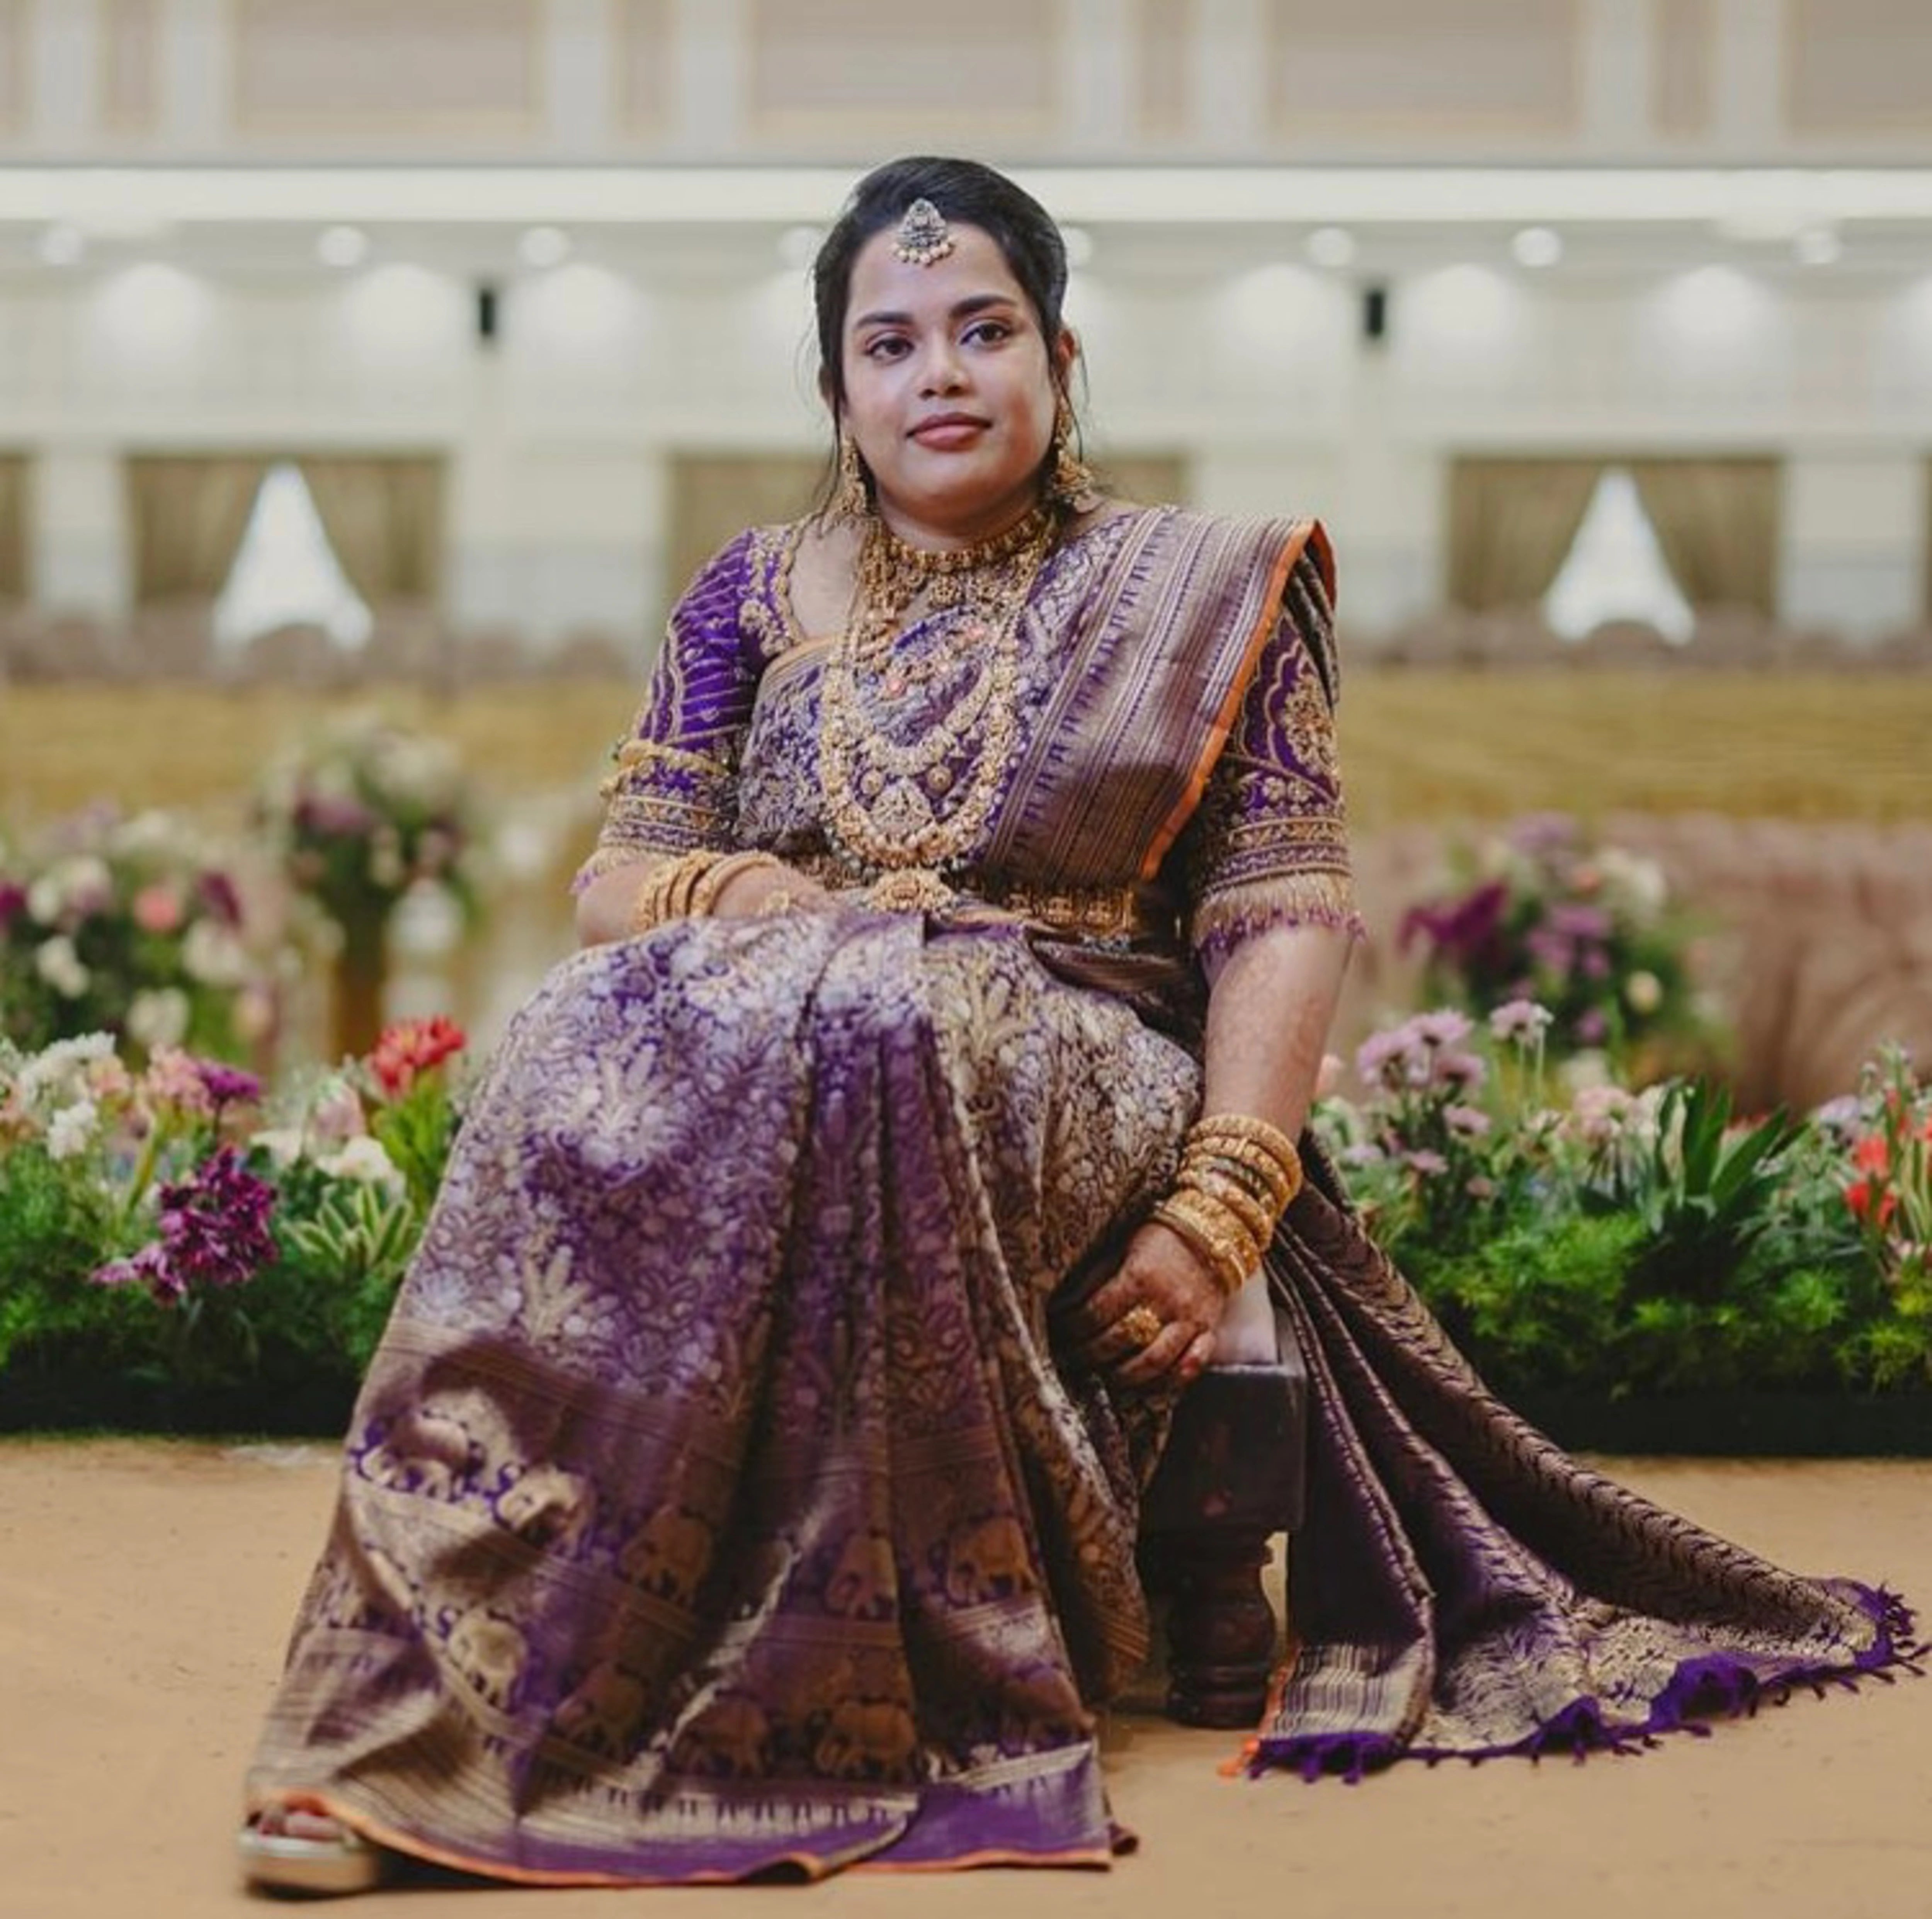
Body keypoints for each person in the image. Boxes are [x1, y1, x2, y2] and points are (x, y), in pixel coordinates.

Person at [239, 157, 1910, 1894]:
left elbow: (1275, 916)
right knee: (573, 1039)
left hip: (1080, 1029)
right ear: (835, 390)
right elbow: (617, 879)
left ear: (1059, 354)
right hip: (784, 1005)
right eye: (887, 344)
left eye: (982, 330)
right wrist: (748, 906)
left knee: (884, 1014)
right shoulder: (747, 591)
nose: (937, 373)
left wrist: (1218, 1209)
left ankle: (773, 1706)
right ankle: (404, 1706)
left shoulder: (1205, 591)